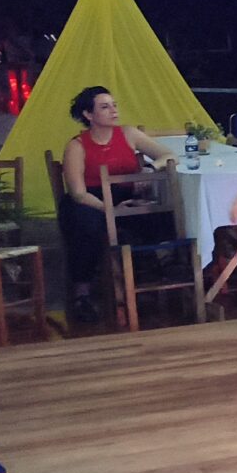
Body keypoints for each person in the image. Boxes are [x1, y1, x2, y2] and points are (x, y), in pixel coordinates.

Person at [58, 86, 178, 325]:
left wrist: (149, 169)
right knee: (86, 227)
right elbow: (78, 193)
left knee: (162, 213)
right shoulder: (77, 146)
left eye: (114, 105)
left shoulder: (129, 134)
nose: (113, 111)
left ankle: (162, 269)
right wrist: (110, 210)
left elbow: (168, 155)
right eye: (105, 107)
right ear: (88, 115)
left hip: (125, 196)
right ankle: (82, 294)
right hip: (91, 201)